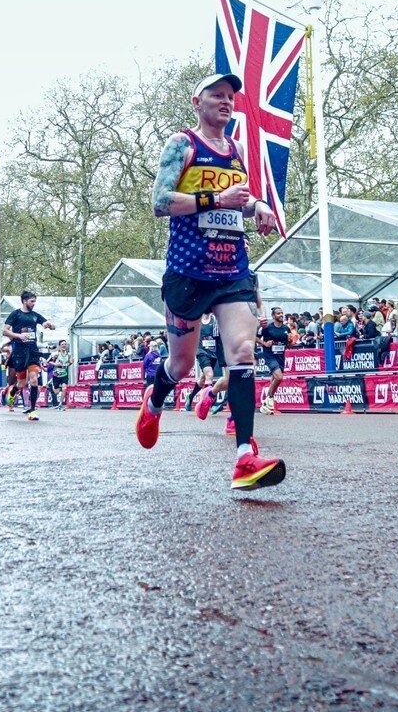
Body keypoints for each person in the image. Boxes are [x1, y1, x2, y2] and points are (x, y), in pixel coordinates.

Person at [136, 70, 285, 490]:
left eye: (230, 97)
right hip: (188, 271)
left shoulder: (235, 149)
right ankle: (155, 398)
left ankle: (244, 457)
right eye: (216, 95)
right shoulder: (182, 144)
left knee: (241, 350)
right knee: (180, 365)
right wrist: (215, 200)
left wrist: (257, 207)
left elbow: (238, 197)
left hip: (232, 269)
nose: (226, 102)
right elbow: (161, 202)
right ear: (196, 102)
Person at [4, 291, 54, 420]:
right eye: (32, 301)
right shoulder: (15, 315)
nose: (34, 304)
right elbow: (5, 331)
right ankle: (13, 393)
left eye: (34, 301)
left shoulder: (35, 315)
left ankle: (32, 410)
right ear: (24, 301)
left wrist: (49, 325)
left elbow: (45, 323)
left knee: (34, 379)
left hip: (32, 351)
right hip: (19, 352)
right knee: (21, 383)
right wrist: (19, 335)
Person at [257, 307, 291, 408]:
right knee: (279, 377)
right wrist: (264, 343)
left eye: (282, 313)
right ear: (273, 316)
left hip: (280, 356)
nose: (281, 315)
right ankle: (270, 397)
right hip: (270, 355)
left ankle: (266, 404)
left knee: (274, 379)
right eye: (278, 313)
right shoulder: (267, 328)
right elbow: (254, 337)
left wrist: (290, 341)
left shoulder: (286, 328)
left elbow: (289, 346)